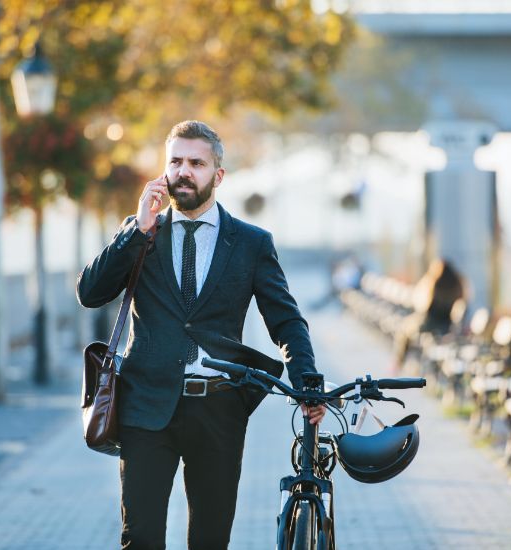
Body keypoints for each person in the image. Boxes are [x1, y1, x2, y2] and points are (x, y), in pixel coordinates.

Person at [76, 120, 325, 550]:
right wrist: (136, 229)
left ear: (218, 175)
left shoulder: (250, 243)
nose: (183, 171)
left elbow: (285, 320)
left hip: (218, 411)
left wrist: (307, 382)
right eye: (175, 161)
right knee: (142, 539)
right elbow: (90, 293)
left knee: (210, 540)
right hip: (146, 409)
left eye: (196, 163)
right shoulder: (141, 231)